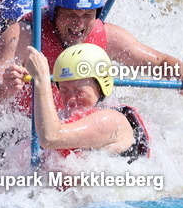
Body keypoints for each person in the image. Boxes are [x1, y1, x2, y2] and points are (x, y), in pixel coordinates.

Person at [0, 0, 183, 109]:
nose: (79, 25)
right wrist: (5, 89)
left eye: (87, 16)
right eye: (71, 15)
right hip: (26, 125)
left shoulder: (107, 34)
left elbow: (159, 62)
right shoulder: (23, 36)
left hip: (74, 121)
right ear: (53, 11)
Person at [20, 44, 150, 160]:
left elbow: (51, 138)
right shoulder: (61, 119)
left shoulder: (111, 120)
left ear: (100, 88)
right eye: (64, 91)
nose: (71, 99)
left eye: (79, 91)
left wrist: (41, 79)